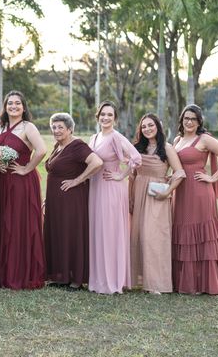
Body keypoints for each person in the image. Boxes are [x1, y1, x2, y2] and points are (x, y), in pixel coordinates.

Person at [172, 104, 218, 295]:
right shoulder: (177, 140)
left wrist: (213, 177)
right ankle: (186, 282)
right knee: (184, 234)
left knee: (201, 235)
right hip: (181, 193)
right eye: (186, 118)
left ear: (199, 121)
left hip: (199, 193)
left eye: (193, 118)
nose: (189, 122)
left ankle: (205, 284)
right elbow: (177, 166)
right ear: (181, 120)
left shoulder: (205, 139)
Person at [0, 90, 47, 289]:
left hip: (20, 182)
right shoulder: (0, 128)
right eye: (10, 103)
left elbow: (41, 150)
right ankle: (3, 271)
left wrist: (26, 168)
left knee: (18, 224)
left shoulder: (28, 127)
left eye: (17, 103)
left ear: (23, 107)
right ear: (5, 107)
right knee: (3, 222)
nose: (13, 106)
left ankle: (20, 272)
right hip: (0, 181)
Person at [44, 112, 103, 290]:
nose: (56, 130)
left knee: (71, 235)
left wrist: (77, 180)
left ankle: (76, 279)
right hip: (56, 199)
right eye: (54, 127)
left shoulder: (77, 145)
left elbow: (97, 162)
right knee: (59, 234)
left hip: (72, 199)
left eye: (60, 127)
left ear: (70, 129)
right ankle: (61, 276)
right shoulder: (58, 145)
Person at [88, 101, 141, 294]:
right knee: (98, 231)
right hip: (95, 187)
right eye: (103, 114)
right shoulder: (94, 137)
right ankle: (98, 279)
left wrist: (120, 175)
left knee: (110, 232)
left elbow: (136, 158)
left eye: (110, 115)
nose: (106, 118)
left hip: (111, 187)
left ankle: (113, 280)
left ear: (115, 118)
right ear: (98, 116)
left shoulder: (116, 137)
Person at [129, 113, 185, 294]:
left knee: (154, 238)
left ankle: (156, 283)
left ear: (158, 127)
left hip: (157, 196)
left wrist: (168, 192)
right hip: (138, 193)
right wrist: (130, 198)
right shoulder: (136, 148)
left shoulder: (167, 148)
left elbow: (179, 173)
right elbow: (132, 175)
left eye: (150, 125)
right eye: (144, 126)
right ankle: (138, 278)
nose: (147, 129)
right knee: (138, 235)